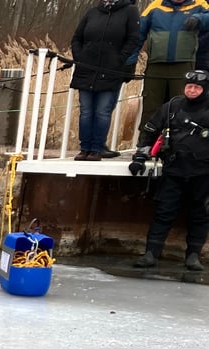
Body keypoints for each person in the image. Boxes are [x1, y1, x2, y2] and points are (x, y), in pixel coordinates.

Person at [128, 70, 209, 271]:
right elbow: (150, 131)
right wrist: (140, 156)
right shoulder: (172, 106)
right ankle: (150, 254)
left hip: (203, 173)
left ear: (205, 89)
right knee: (163, 212)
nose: (192, 90)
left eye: (197, 87)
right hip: (174, 170)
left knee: (199, 215)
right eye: (189, 86)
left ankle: (192, 256)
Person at [69, 0, 141, 161]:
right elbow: (76, 38)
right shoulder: (92, 12)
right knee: (86, 111)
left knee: (102, 111)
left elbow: (133, 39)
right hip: (86, 69)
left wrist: (119, 59)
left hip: (111, 70)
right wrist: (80, 57)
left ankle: (96, 149)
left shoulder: (130, 11)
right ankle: (84, 148)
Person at [127, 0, 208, 127]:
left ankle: (177, 144)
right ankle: (145, 144)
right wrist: (130, 61)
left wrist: (199, 18)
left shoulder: (199, 4)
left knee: (181, 108)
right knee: (150, 109)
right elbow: (139, 33)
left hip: (183, 66)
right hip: (155, 66)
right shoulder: (155, 5)